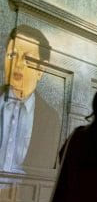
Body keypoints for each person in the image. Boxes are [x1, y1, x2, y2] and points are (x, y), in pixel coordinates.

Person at [1, 25, 61, 173]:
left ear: (41, 69)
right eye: (12, 55)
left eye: (27, 59)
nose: (17, 65)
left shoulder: (51, 119)